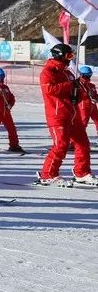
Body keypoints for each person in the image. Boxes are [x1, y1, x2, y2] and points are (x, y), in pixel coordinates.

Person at [37, 43, 96, 186]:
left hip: (72, 114)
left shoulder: (68, 72)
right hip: (58, 114)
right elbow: (50, 89)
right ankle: (48, 174)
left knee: (83, 143)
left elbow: (74, 90)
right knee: (61, 145)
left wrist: (83, 91)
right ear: (60, 55)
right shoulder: (48, 72)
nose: (70, 59)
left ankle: (82, 172)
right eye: (69, 56)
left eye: (72, 56)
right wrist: (71, 85)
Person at [76, 65, 98, 136]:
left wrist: (95, 98)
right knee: (83, 123)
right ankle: (75, 141)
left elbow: (95, 96)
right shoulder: (77, 85)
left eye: (89, 75)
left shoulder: (91, 86)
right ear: (81, 74)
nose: (88, 77)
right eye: (86, 75)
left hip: (92, 106)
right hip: (83, 106)